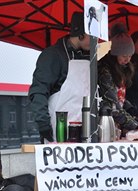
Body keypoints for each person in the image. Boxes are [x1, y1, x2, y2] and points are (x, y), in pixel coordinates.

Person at [29, 12, 91, 143]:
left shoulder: (90, 56)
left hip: (85, 131)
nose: (96, 41)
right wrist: (43, 123)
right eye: (93, 35)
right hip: (57, 131)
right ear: (81, 35)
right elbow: (38, 91)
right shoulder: (52, 55)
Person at [97, 23, 138, 134]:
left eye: (130, 56)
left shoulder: (122, 68)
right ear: (115, 53)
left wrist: (129, 108)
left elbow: (119, 99)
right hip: (105, 123)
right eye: (124, 56)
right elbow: (113, 105)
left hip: (116, 123)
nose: (127, 60)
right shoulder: (105, 71)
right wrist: (135, 124)